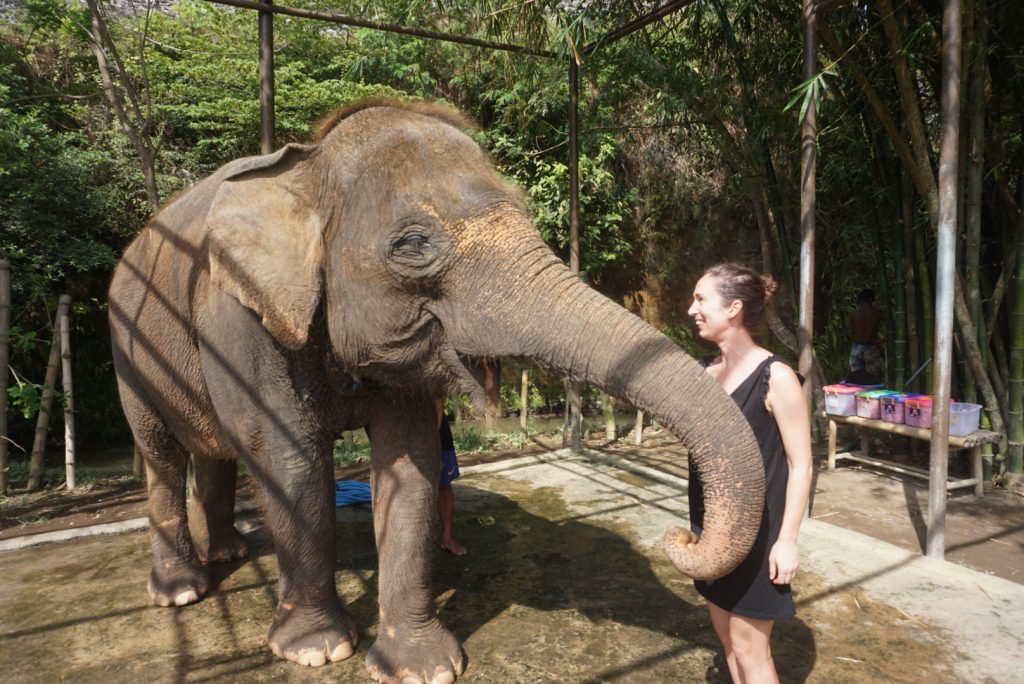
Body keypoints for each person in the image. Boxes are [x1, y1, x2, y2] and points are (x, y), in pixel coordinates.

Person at [686, 263, 813, 684]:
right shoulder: (705, 374)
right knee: (726, 639)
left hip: (760, 536)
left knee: (750, 648)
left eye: (702, 299)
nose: (692, 309)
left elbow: (801, 464)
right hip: (714, 532)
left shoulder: (776, 377)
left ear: (734, 308)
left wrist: (788, 541)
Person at [438, 410, 466, 555]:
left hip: (434, 424)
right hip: (400, 426)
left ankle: (447, 538)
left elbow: (439, 397)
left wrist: (433, 432)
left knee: (444, 485)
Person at [848, 288, 884, 383]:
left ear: (861, 300)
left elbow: (851, 334)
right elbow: (892, 328)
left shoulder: (854, 315)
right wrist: (883, 340)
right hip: (871, 347)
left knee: (855, 377)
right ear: (873, 299)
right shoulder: (878, 314)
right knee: (875, 377)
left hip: (856, 347)